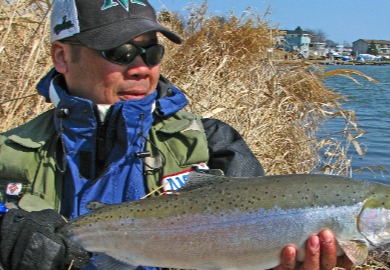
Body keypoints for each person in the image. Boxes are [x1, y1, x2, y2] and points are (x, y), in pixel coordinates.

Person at [0, 0, 352, 269]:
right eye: (118, 52)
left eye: (151, 51)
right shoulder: (9, 155)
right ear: (61, 57)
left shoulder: (214, 144)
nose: (140, 68)